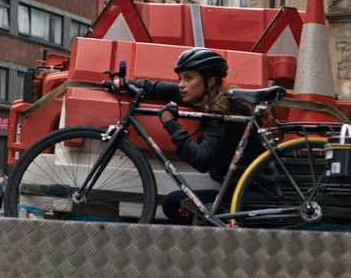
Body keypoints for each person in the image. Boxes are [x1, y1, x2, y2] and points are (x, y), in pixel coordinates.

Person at [114, 48, 279, 225]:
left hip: (251, 201)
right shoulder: (211, 98)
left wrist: (171, 125)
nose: (181, 84)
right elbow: (167, 90)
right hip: (236, 193)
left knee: (182, 207)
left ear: (210, 81)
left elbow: (202, 160)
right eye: (180, 78)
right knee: (175, 203)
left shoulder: (222, 113)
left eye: (188, 78)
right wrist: (128, 84)